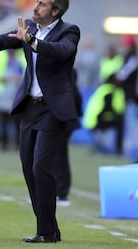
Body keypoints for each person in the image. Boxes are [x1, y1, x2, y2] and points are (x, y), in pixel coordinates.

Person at [0, 0, 80, 243]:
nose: (35, 6)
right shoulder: (29, 27)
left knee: (41, 166)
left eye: (42, 4)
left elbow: (62, 51)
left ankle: (45, 232)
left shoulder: (69, 31)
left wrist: (32, 42)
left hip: (52, 108)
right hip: (29, 108)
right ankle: (48, 230)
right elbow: (5, 41)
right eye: (37, 1)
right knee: (28, 169)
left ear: (55, 11)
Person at [53, 68, 82, 206]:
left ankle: (61, 193)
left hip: (64, 120)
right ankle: (58, 192)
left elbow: (74, 95)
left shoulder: (66, 73)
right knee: (58, 155)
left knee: (58, 156)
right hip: (66, 120)